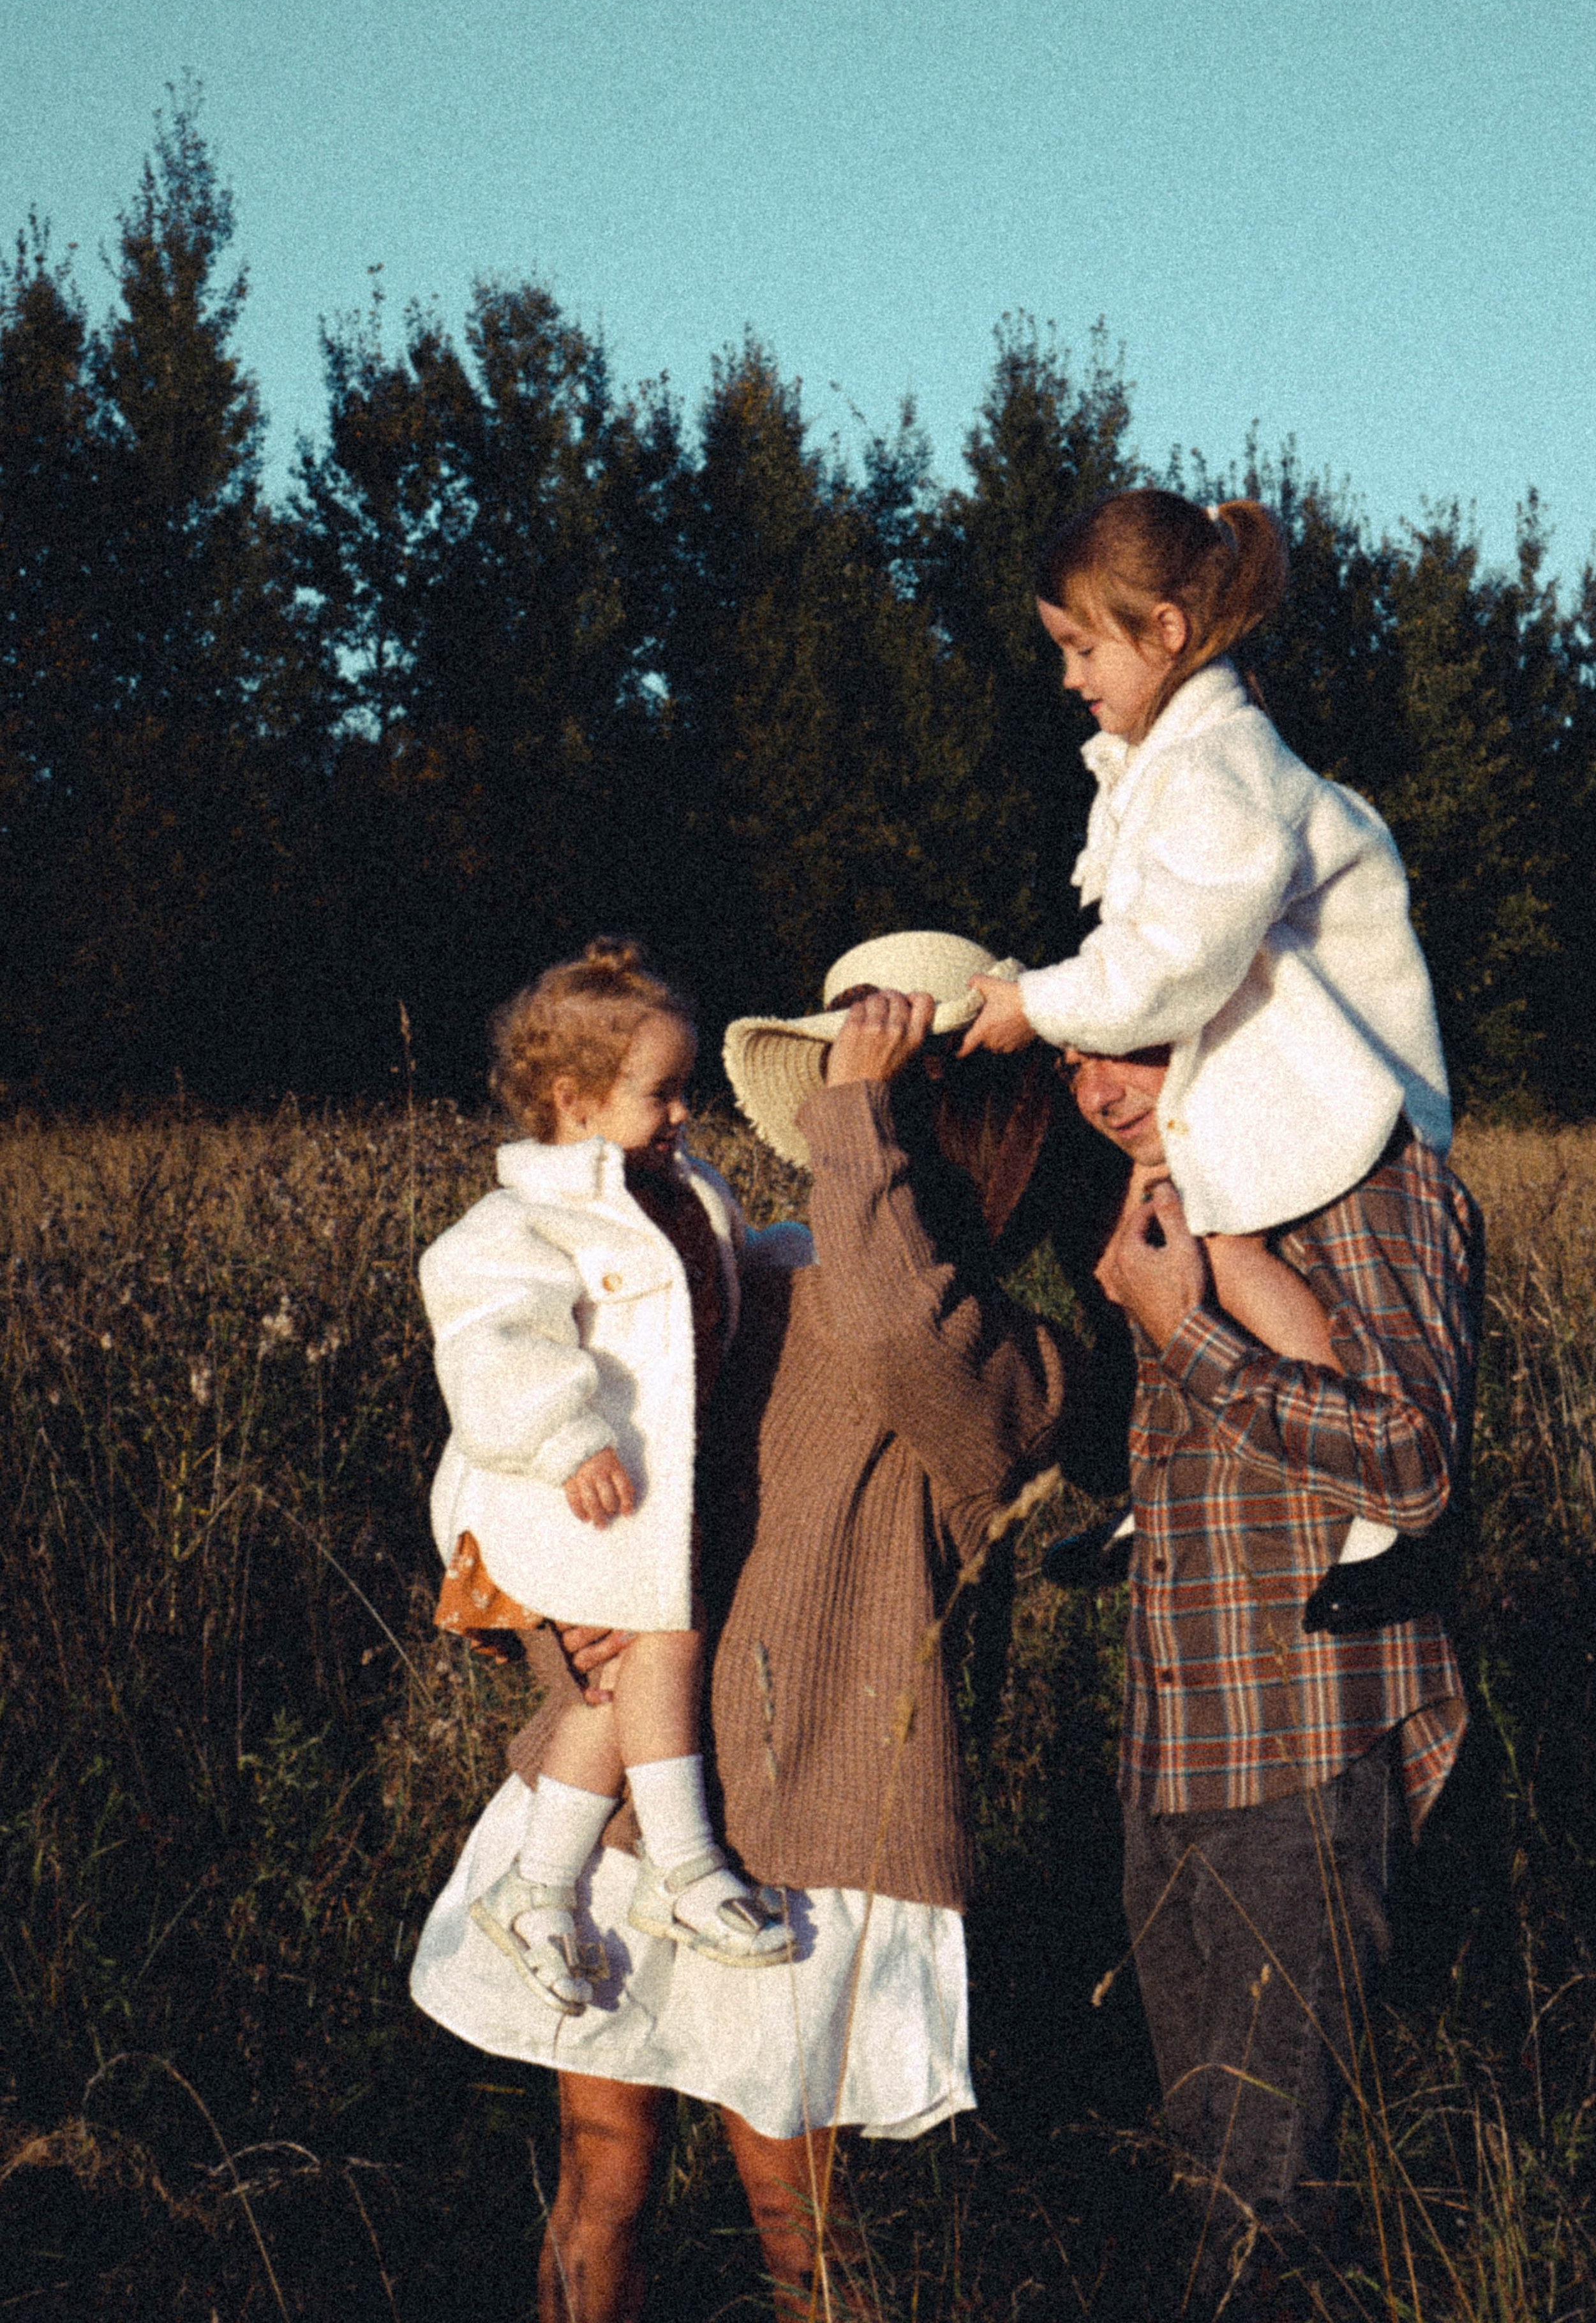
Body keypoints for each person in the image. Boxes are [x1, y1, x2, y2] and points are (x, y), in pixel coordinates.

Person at [412, 931, 1110, 2322]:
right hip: (626, 1796)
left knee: (794, 2213)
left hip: (807, 1828)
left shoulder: (1016, 1363)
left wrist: (860, 1121)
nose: (852, 1131)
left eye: (898, 1107)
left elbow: (906, 1329)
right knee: (600, 2168)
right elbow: (559, 1450)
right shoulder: (737, 1273)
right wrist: (558, 1621)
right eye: (855, 1102)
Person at [960, 487, 1454, 1623]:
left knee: (1220, 1252)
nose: (1071, 677)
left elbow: (1179, 955)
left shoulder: (1218, 766)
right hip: (1242, 1065)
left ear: (1166, 631)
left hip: (1316, 1073)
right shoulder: (1168, 763)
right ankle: (1158, 1491)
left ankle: (1388, 1514)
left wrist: (1038, 1006)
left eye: (1084, 647)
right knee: (1145, 1242)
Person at [1062, 1038, 1480, 2308]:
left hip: (1298, 1749)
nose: (1099, 1091)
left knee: (1264, 2204)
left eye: (1130, 1052)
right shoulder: (1176, 1190)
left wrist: (1182, 1327)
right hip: (1177, 1747)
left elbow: (1411, 1463)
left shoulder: (1359, 1183)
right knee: (1209, 2180)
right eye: (1076, 1063)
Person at [417, 939, 792, 2017]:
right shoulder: (520, 1222)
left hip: (633, 1494)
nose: (683, 1115)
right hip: (562, 1486)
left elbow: (723, 1277)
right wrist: (565, 1430)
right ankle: (683, 1864)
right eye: (660, 1094)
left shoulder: (682, 1191)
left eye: (686, 1092)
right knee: (664, 1638)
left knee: (616, 1681)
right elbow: (492, 1341)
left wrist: (792, 1259)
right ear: (576, 1102)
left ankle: (538, 1888)